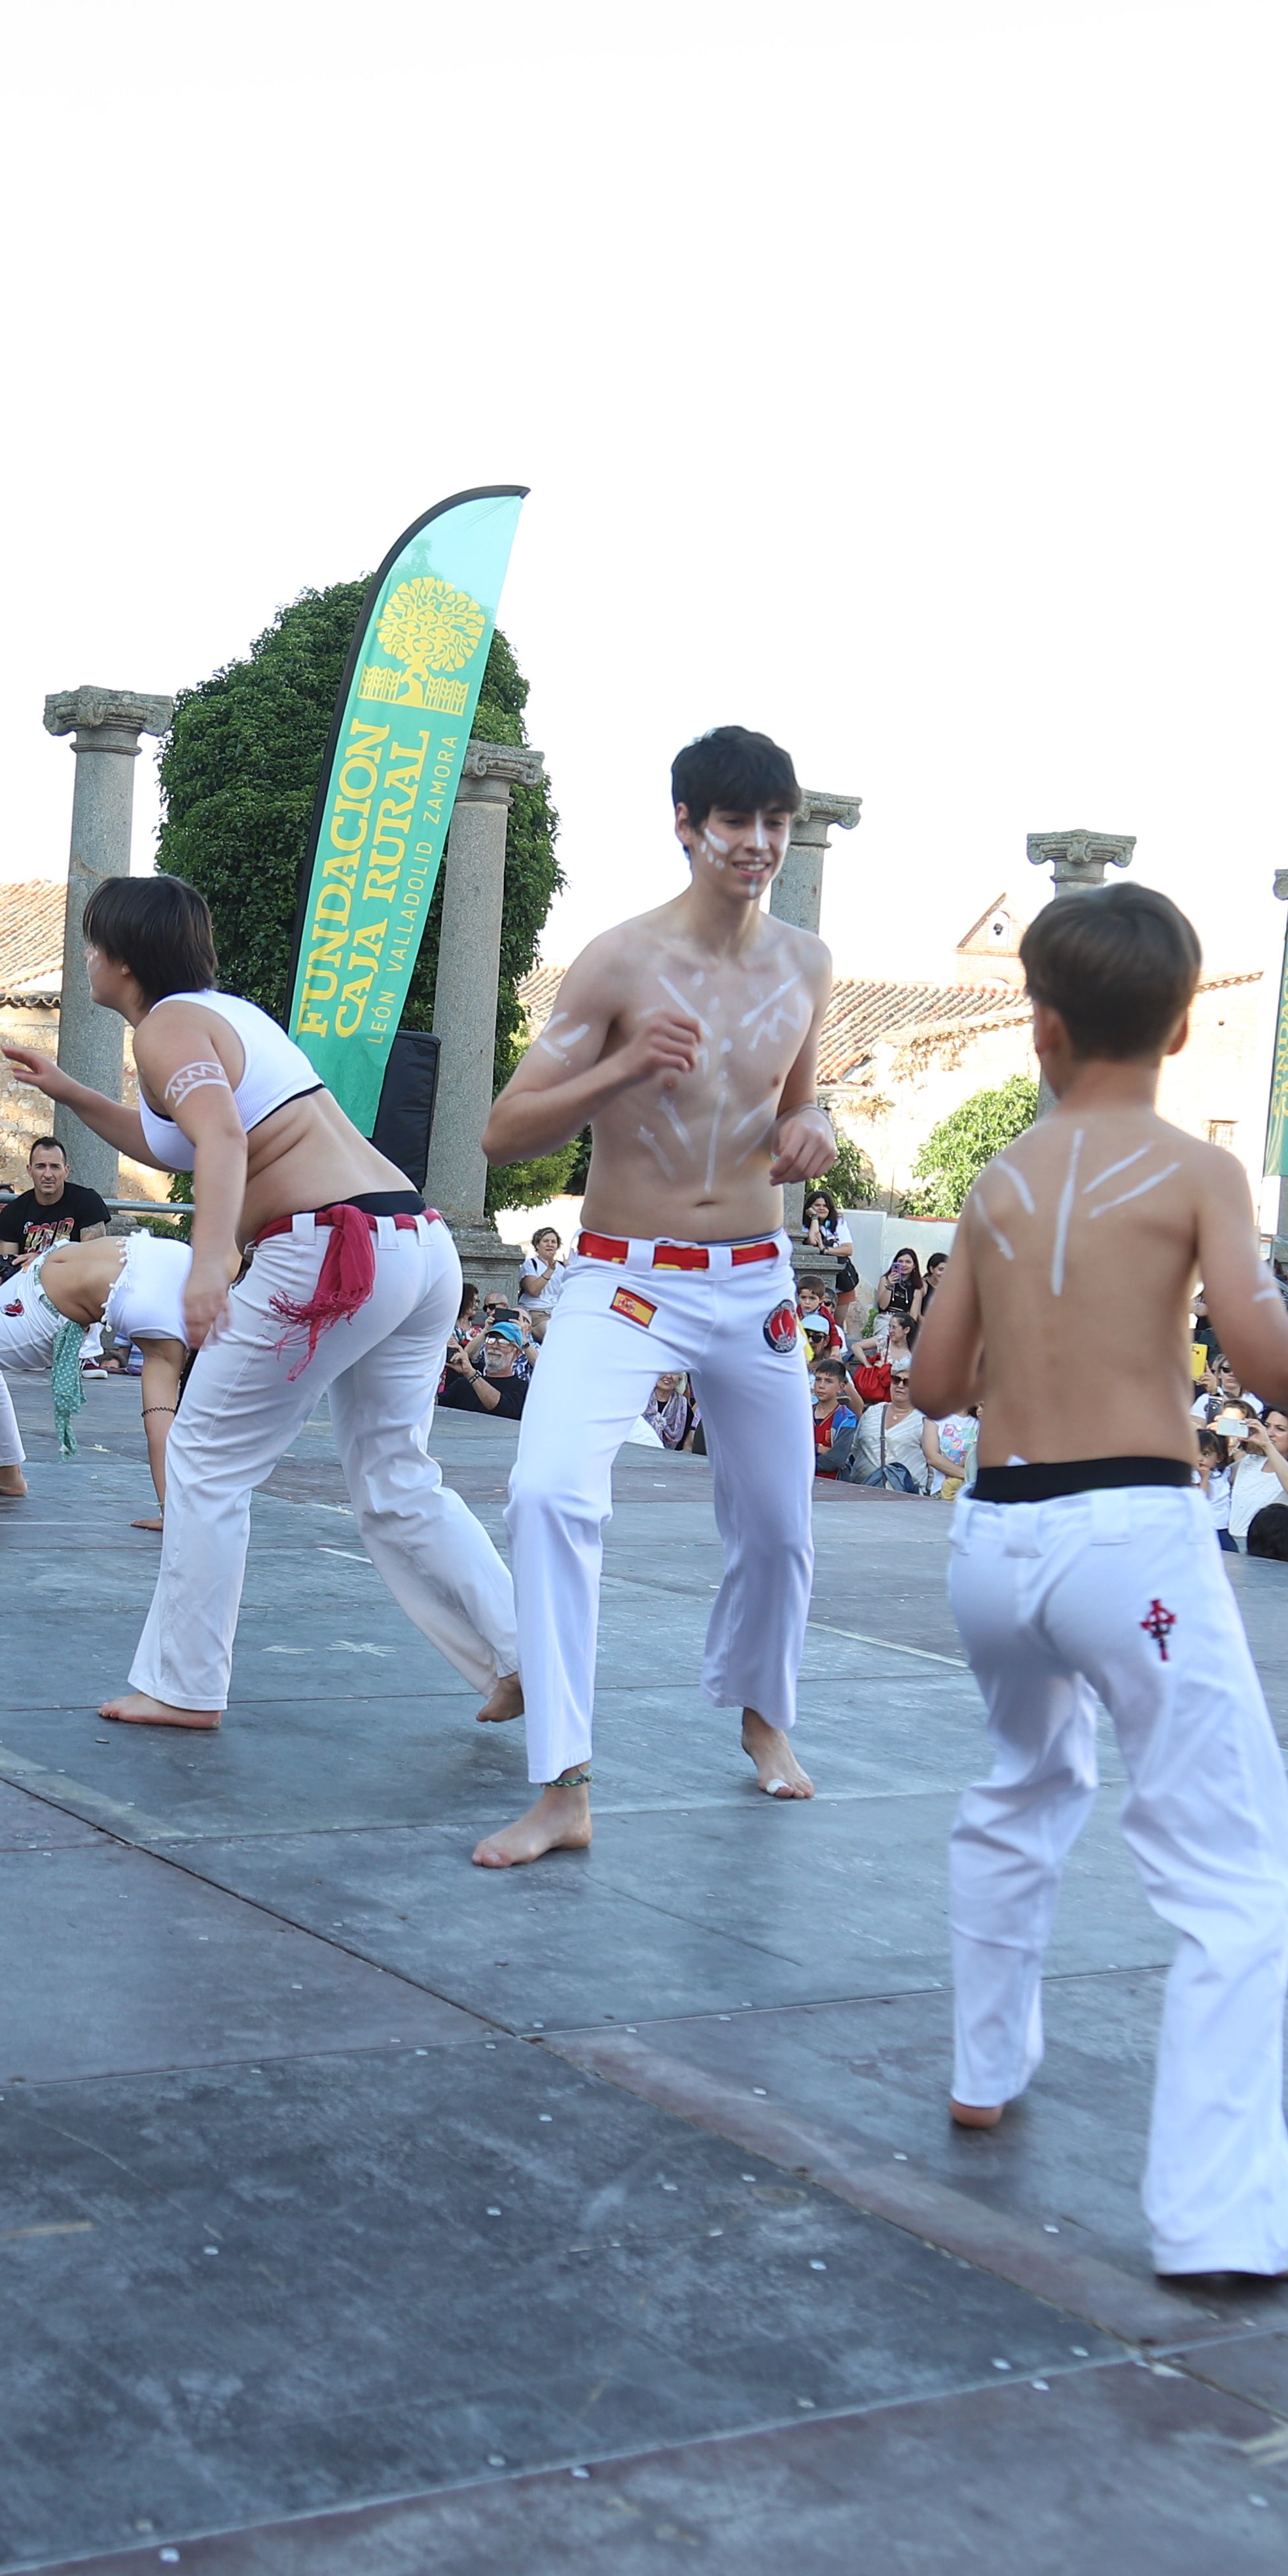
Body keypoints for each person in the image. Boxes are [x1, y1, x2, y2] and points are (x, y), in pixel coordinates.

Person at [904, 878, 1288, 2283]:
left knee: (1019, 1787)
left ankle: (981, 2065)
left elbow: (934, 1381)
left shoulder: (998, 1179)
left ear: (1043, 1028)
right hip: (1125, 1545)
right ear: (1187, 1025)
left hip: (994, 1543)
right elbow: (1265, 1362)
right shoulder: (1200, 1169)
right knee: (1235, 1870)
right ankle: (1220, 2218)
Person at [0, 874, 517, 1733]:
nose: (87, 958)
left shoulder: (168, 1027)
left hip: (329, 1247)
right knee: (396, 1478)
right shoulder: (225, 1018)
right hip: (413, 1245)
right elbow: (175, 1135)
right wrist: (74, 1094)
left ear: (124, 959)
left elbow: (224, 1137)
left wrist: (210, 1267)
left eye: (94, 944)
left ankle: (184, 1685)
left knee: (202, 1458)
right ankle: (521, 1653)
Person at [469, 726, 837, 1866]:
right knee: (547, 1491)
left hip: (753, 1276)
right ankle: (563, 1785)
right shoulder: (620, 963)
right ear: (689, 827)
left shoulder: (808, 965)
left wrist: (813, 1130)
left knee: (778, 1525)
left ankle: (763, 1713)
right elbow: (501, 1132)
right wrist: (622, 1067)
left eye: (774, 822)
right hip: (626, 1277)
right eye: (736, 822)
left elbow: (799, 1107)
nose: (758, 844)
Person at [0, 1226, 194, 1524]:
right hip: (34, 1271)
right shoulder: (216, 1266)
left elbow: (160, 1430)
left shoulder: (167, 1342)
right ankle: (4, 1470)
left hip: (39, 1317)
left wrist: (172, 1514)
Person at [0, 1137, 111, 1260]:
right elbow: (7, 1266)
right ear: (30, 1170)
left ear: (66, 1171)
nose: (48, 1175)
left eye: (55, 1167)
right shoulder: (14, 1211)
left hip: (75, 1278)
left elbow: (94, 1258)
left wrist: (43, 1260)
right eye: (40, 1167)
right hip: (28, 1277)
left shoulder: (87, 1201)